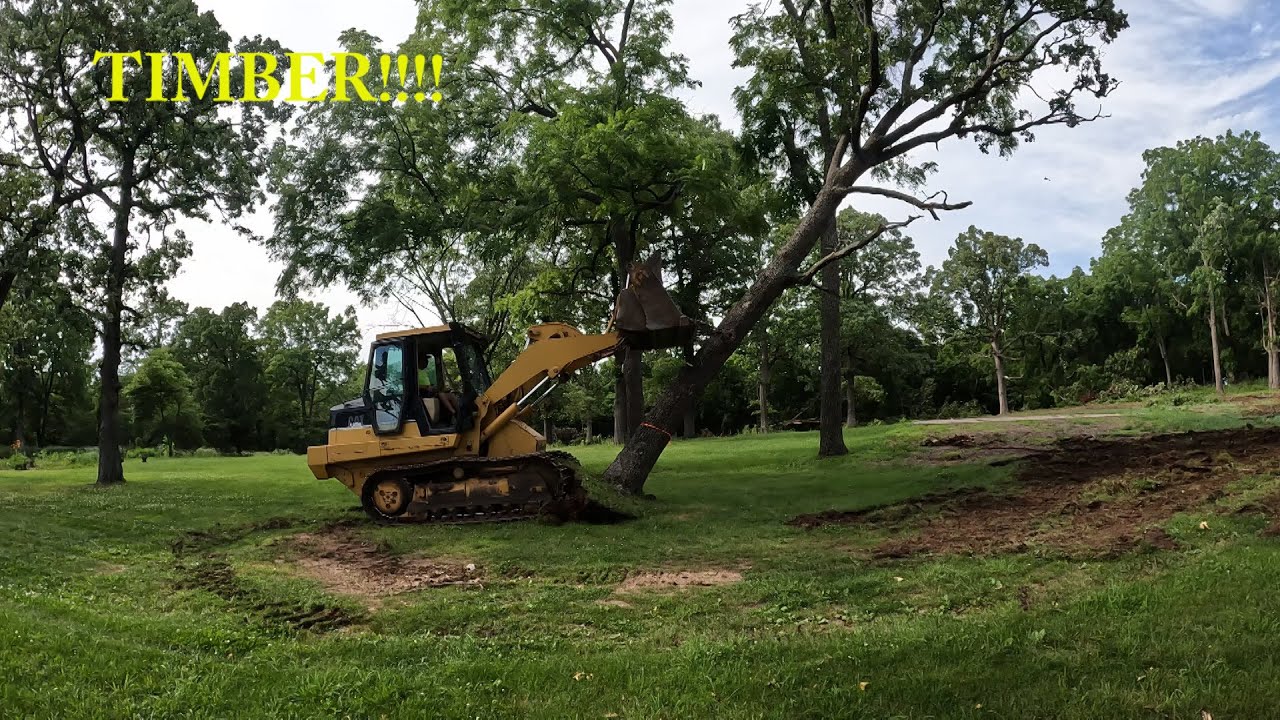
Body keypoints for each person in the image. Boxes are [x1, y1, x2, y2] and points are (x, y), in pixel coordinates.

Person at [417, 351, 459, 422]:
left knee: (451, 395)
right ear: (419, 361)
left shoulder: (423, 372)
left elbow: (428, 385)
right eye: (425, 360)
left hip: (429, 391)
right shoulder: (415, 372)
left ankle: (460, 412)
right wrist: (427, 387)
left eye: (427, 360)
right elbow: (416, 386)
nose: (427, 362)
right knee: (441, 394)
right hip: (423, 393)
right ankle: (453, 412)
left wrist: (432, 387)